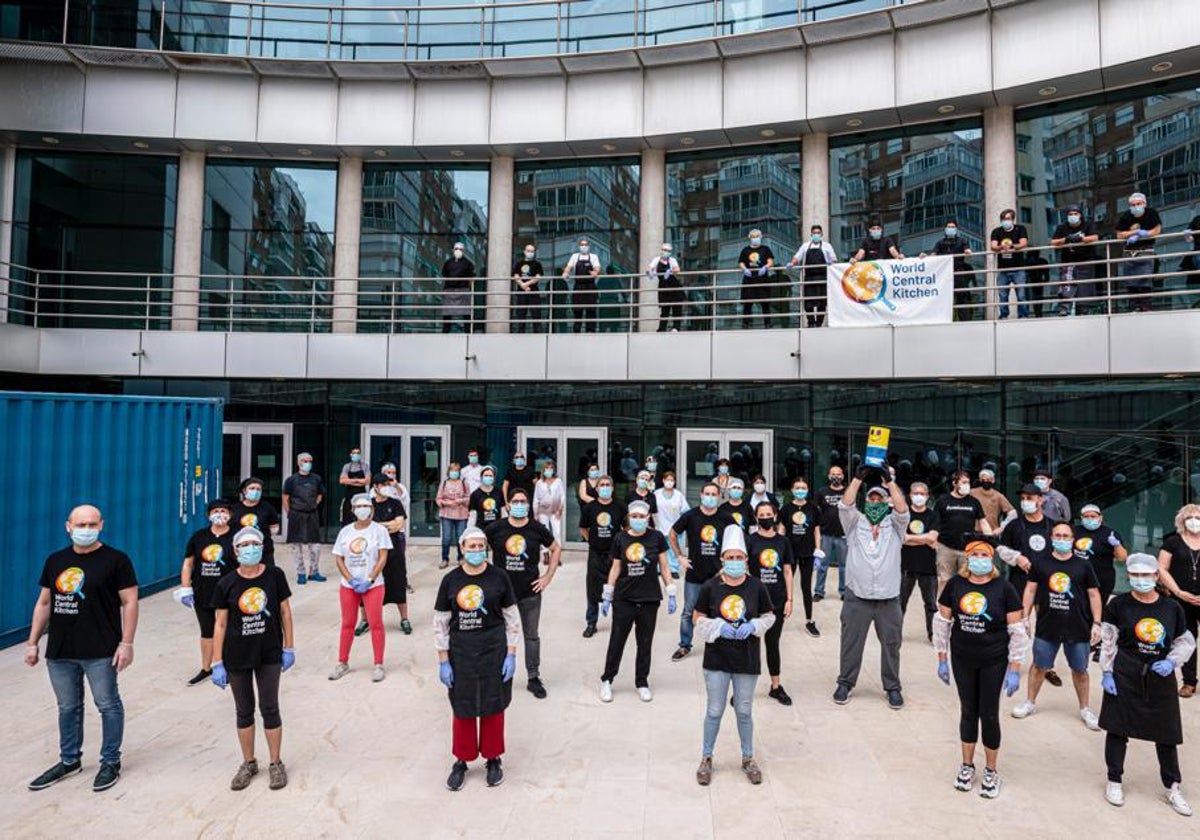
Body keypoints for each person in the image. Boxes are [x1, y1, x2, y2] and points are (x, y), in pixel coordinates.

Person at [25, 505, 138, 793]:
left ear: (101, 525)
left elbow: (130, 603)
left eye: (91, 524)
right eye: (80, 524)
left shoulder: (116, 560)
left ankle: (110, 761)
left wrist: (126, 643)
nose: (85, 529)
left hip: (101, 649)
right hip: (61, 650)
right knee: (67, 707)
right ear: (68, 526)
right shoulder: (55, 560)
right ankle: (69, 760)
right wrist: (33, 642)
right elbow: (44, 603)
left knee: (108, 705)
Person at [1099, 553, 1196, 815]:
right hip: (1126, 671)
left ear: (1156, 576)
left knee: (1167, 734)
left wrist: (1173, 662)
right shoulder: (1118, 605)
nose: (1140, 580)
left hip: (1160, 675)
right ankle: (1114, 780)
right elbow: (1109, 640)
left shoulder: (1171, 608)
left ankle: (1173, 787)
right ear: (1128, 576)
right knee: (1117, 729)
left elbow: (1184, 641)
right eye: (1135, 575)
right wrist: (1107, 671)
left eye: (1146, 575)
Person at [933, 541, 1026, 798]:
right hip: (963, 657)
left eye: (984, 554)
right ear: (967, 558)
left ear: (992, 559)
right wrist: (942, 658)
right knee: (968, 711)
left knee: (989, 713)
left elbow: (1017, 632)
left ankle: (991, 770)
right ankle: (967, 765)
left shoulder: (1004, 589)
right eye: (974, 554)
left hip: (993, 659)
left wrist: (1015, 667)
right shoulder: (955, 585)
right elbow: (942, 623)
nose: (979, 558)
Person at [436, 526, 521, 791]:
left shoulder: (499, 577)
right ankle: (462, 760)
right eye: (471, 547)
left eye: (480, 546)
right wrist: (443, 660)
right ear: (462, 549)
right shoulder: (451, 580)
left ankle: (493, 758)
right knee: (463, 707)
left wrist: (511, 654)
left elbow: (512, 618)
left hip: (493, 650)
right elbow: (440, 622)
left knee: (493, 705)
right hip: (461, 652)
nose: (476, 551)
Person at [209, 526, 294, 792]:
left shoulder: (274, 576)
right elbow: (220, 624)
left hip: (268, 652)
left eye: (254, 543)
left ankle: (275, 763)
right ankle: (248, 763)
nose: (250, 549)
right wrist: (216, 661)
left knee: (270, 707)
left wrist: (288, 647)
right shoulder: (226, 583)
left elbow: (285, 612)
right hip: (237, 656)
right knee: (243, 710)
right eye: (244, 545)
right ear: (235, 551)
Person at [692, 525, 774, 786]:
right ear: (722, 559)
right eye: (731, 557)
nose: (735, 562)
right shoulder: (710, 587)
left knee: (744, 710)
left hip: (747, 658)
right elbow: (697, 618)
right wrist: (719, 627)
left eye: (739, 558)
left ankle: (748, 758)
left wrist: (754, 627)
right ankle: (706, 758)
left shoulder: (757, 587)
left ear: (746, 561)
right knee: (715, 710)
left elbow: (769, 616)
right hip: (717, 658)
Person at [1011, 521, 1103, 728]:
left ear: (1072, 540)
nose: (1061, 539)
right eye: (1057, 536)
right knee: (1039, 666)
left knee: (1080, 669)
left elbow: (1094, 594)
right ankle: (1029, 702)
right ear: (1051, 538)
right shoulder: (1041, 563)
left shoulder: (1083, 565)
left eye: (1066, 536)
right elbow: (1030, 590)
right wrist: (1025, 617)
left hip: (1078, 625)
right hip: (1048, 625)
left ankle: (1085, 709)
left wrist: (1097, 623)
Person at [833, 471, 909, 708]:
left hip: (888, 598)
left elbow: (902, 509)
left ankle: (892, 687)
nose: (875, 503)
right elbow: (845, 505)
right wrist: (857, 479)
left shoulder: (895, 525)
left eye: (880, 499)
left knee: (891, 644)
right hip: (858, 596)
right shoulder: (855, 523)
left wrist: (891, 483)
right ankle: (845, 682)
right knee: (851, 642)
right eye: (872, 499)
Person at [485, 488, 561, 699]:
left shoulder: (536, 528)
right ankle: (497, 675)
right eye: (515, 501)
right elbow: (477, 546)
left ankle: (533, 677)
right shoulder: (496, 528)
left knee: (531, 636)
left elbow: (556, 548)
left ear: (528, 505)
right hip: (501, 594)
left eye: (523, 501)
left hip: (530, 591)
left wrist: (547, 576)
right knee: (498, 635)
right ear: (508, 505)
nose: (519, 504)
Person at [598, 501, 676, 702]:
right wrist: (608, 593)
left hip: (649, 599)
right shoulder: (620, 538)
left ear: (648, 517)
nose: (638, 520)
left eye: (642, 517)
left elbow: (664, 566)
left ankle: (642, 682)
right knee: (617, 641)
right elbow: (615, 567)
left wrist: (671, 590)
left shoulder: (657, 537)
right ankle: (607, 680)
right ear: (629, 518)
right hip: (624, 599)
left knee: (645, 643)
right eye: (635, 517)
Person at [328, 494, 391, 683]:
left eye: (367, 505)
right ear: (353, 509)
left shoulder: (379, 530)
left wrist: (370, 579)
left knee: (375, 623)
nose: (363, 509)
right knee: (348, 623)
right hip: (349, 585)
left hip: (373, 585)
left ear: (371, 509)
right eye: (359, 506)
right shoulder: (345, 531)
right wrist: (350, 579)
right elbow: (339, 558)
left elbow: (382, 557)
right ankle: (342, 662)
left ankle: (378, 664)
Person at [669, 483, 736, 661]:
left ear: (719, 496)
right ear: (701, 495)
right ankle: (684, 646)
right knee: (688, 612)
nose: (710, 497)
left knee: (721, 611)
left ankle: (720, 646)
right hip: (694, 575)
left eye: (714, 494)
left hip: (719, 576)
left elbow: (737, 539)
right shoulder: (690, 516)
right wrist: (679, 556)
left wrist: (729, 563)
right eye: (707, 493)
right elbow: (672, 533)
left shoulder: (726, 518)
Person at [177, 498, 235, 686]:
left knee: (227, 628)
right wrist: (186, 587)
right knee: (207, 630)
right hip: (203, 590)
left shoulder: (237, 536)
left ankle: (227, 664)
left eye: (224, 511)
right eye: (216, 511)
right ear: (209, 515)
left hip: (229, 591)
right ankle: (206, 667)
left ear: (230, 515)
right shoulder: (199, 537)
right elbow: (188, 563)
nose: (220, 514)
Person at [746, 501, 795, 705]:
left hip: (777, 600)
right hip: (755, 601)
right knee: (750, 645)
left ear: (775, 516)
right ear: (756, 517)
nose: (765, 517)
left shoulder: (783, 542)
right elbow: (745, 568)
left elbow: (787, 571)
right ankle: (745, 689)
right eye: (762, 514)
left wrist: (790, 599)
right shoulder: (750, 540)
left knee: (772, 644)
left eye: (769, 514)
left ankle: (775, 686)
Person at [1157, 504, 1200, 698]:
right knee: (1186, 639)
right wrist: (1178, 592)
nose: (1194, 521)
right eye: (1190, 517)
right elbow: (1162, 568)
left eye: (1198, 517)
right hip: (1181, 598)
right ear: (1182, 521)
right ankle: (1189, 682)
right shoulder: (1173, 542)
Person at [579, 475, 627, 638]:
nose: (605, 487)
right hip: (596, 554)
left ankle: (618, 623)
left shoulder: (620, 506)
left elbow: (626, 527)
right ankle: (591, 622)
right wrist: (592, 541)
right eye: (602, 485)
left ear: (612, 488)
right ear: (597, 489)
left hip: (615, 556)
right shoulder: (589, 507)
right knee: (592, 589)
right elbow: (583, 528)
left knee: (616, 587)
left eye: (608, 485)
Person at [933, 471, 989, 596]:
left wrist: (990, 540)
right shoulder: (942, 501)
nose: (967, 485)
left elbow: (983, 522)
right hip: (945, 547)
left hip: (968, 548)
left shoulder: (974, 502)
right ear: (954, 483)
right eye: (963, 482)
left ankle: (962, 608)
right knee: (945, 579)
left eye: (968, 482)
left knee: (966, 580)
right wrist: (934, 542)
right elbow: (935, 523)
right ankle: (942, 608)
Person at [778, 476, 821, 637]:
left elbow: (817, 530)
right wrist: (779, 550)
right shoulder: (786, 509)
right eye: (797, 488)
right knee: (784, 586)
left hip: (808, 553)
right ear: (792, 490)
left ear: (807, 490)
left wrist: (818, 549)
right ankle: (779, 617)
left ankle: (809, 621)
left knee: (806, 587)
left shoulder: (813, 508)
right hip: (789, 553)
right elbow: (781, 530)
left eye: (803, 488)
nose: (800, 491)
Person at [371, 475, 411, 634]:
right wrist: (388, 525)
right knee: (370, 585)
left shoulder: (395, 503)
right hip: (373, 552)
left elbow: (399, 524)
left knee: (398, 583)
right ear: (375, 486)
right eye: (383, 484)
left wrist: (377, 526)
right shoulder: (369, 505)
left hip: (394, 550)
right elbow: (363, 525)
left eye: (388, 484)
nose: (387, 487)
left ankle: (404, 619)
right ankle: (366, 620)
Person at [901, 482, 940, 643]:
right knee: (899, 603)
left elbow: (932, 538)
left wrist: (910, 538)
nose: (919, 496)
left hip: (928, 567)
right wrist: (923, 539)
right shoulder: (903, 515)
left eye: (922, 493)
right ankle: (895, 633)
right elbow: (900, 539)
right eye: (915, 493)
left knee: (931, 603)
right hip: (905, 566)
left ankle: (933, 635)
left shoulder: (933, 515)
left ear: (927, 496)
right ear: (910, 496)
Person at [1114, 192, 1162, 313]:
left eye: (1138, 204)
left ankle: (1145, 305)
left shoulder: (1151, 213)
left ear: (1144, 204)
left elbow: (1157, 229)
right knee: (1131, 279)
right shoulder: (1126, 216)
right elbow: (1119, 235)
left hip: (1146, 247)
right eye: (1133, 205)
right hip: (1130, 249)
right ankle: (1134, 305)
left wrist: (1145, 234)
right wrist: (1134, 233)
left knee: (1145, 278)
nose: (1136, 207)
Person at [282, 452, 326, 584]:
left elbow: (320, 494)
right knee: (296, 545)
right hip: (296, 514)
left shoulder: (316, 478)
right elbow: (285, 498)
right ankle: (301, 573)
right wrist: (289, 513)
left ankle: (314, 572)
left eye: (310, 461)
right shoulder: (291, 480)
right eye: (305, 461)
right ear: (298, 463)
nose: (308, 463)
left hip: (312, 514)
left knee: (315, 545)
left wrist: (314, 504)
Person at [1050, 205, 1101, 316]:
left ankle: (1083, 310)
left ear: (1080, 215)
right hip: (1068, 261)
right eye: (1070, 214)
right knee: (1066, 284)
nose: (1073, 216)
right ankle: (1064, 309)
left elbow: (1095, 238)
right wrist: (1066, 239)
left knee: (1085, 287)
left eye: (1075, 214)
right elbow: (1053, 242)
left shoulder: (1087, 224)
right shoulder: (1062, 227)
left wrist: (1080, 239)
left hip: (1085, 260)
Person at [928, 220, 977, 321]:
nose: (951, 229)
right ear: (945, 229)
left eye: (953, 227)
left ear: (956, 229)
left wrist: (968, 251)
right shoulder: (940, 242)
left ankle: (965, 321)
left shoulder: (962, 240)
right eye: (949, 227)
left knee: (962, 297)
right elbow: (933, 255)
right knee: (944, 298)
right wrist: (925, 257)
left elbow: (967, 250)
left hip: (958, 273)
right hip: (945, 275)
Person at [789, 224, 837, 327]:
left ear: (822, 234)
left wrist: (831, 263)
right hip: (809, 277)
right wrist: (792, 263)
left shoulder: (827, 246)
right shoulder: (805, 246)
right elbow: (797, 257)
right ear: (811, 234)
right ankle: (811, 322)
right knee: (808, 302)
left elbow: (834, 260)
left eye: (818, 233)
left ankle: (819, 323)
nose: (816, 235)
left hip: (822, 277)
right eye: (814, 233)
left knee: (822, 302)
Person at [814, 465, 848, 601]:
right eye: (833, 474)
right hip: (825, 534)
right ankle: (819, 591)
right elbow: (815, 512)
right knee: (822, 565)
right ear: (828, 476)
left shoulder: (848, 492)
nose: (836, 477)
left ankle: (844, 592)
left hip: (843, 535)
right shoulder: (821, 492)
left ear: (843, 476)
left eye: (838, 474)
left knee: (844, 566)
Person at [989, 209, 1029, 319]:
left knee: (1021, 295)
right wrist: (1001, 247)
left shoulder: (1020, 229)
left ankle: (1023, 315)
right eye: (1003, 219)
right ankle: (1003, 315)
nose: (1005, 221)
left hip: (1018, 268)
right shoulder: (996, 231)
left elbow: (1024, 243)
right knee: (1002, 295)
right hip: (1003, 269)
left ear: (1012, 219)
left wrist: (1012, 247)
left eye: (1007, 219)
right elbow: (993, 246)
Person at [232, 477, 281, 566]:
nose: (256, 491)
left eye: (258, 489)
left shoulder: (267, 508)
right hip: (241, 549)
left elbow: (274, 527)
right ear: (244, 491)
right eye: (252, 488)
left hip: (264, 550)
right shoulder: (235, 509)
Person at [653, 470, 689, 579]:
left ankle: (673, 569)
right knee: (661, 549)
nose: (669, 482)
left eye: (671, 480)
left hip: (674, 526)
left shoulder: (678, 495)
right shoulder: (656, 494)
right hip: (660, 525)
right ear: (663, 480)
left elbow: (685, 510)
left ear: (674, 482)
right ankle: (660, 568)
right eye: (667, 479)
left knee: (673, 549)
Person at [738, 229, 775, 329]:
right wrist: (744, 269)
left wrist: (766, 267)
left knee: (765, 303)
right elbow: (741, 262)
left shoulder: (765, 249)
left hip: (762, 280)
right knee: (747, 304)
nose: (755, 238)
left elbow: (771, 261)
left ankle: (768, 323)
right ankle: (746, 324)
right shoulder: (745, 250)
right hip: (749, 280)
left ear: (761, 237)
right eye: (753, 236)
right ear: (750, 238)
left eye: (757, 236)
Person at [435, 462, 470, 570]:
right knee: (446, 538)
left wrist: (461, 500)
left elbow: (469, 497)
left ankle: (461, 558)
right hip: (446, 514)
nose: (454, 472)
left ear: (459, 472)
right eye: (452, 470)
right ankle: (445, 559)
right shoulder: (444, 483)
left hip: (461, 514)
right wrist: (446, 503)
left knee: (461, 537)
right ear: (448, 472)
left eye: (456, 470)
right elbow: (438, 498)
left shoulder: (464, 483)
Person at [562, 237, 601, 333]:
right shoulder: (575, 256)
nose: (584, 247)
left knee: (591, 311)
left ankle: (590, 331)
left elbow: (597, 268)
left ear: (589, 246)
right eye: (582, 245)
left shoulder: (593, 256)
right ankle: (576, 330)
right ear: (579, 246)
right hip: (578, 286)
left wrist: (595, 272)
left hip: (590, 286)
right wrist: (566, 273)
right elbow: (568, 267)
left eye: (585, 245)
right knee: (577, 310)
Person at [649, 243, 685, 332]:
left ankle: (676, 327)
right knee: (665, 309)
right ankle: (662, 328)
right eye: (665, 250)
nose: (666, 252)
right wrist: (651, 273)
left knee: (677, 308)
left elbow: (677, 270)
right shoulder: (656, 260)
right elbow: (650, 269)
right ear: (661, 250)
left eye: (668, 251)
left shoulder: (672, 260)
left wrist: (670, 271)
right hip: (663, 286)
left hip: (674, 286)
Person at [441, 241, 476, 333]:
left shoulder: (468, 263)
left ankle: (468, 332)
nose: (458, 251)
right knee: (447, 314)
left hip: (463, 290)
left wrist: (467, 289)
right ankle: (445, 333)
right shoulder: (448, 263)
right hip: (449, 290)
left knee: (466, 313)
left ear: (463, 251)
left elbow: (471, 278)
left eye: (460, 249)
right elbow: (444, 275)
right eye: (456, 249)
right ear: (453, 250)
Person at [533, 458, 567, 548]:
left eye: (551, 468)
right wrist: (535, 513)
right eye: (547, 468)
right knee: (545, 531)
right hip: (542, 510)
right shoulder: (539, 483)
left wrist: (560, 509)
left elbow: (562, 496)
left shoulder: (558, 481)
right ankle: (546, 553)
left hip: (555, 510)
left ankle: (557, 552)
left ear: (553, 470)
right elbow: (536, 498)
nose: (549, 470)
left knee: (557, 531)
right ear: (543, 470)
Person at [969, 468, 1015, 533]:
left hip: (992, 532)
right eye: (983, 480)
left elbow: (1013, 513)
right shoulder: (972, 493)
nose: (985, 481)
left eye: (988, 479)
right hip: (974, 532)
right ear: (980, 480)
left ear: (993, 480)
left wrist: (1001, 528)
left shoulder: (998, 496)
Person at [511, 244, 544, 333]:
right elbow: (516, 275)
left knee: (536, 313)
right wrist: (522, 284)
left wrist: (527, 284)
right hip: (521, 292)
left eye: (532, 251)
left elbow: (538, 276)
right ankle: (520, 333)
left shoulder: (537, 264)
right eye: (528, 251)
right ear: (524, 251)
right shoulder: (519, 263)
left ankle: (537, 334)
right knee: (521, 313)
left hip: (533, 292)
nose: (530, 253)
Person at [338, 447, 371, 526]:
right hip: (349, 495)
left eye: (358, 453)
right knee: (347, 517)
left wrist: (350, 481)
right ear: (351, 455)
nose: (356, 455)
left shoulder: (365, 466)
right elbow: (342, 480)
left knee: (362, 516)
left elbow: (367, 481)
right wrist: (359, 481)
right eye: (354, 453)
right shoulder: (346, 466)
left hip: (361, 496)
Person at [469, 465, 505, 530]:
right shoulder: (475, 494)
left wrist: (505, 526)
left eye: (490, 476)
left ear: (494, 478)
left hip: (497, 528)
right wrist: (470, 529)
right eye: (486, 475)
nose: (488, 477)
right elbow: (473, 515)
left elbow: (503, 511)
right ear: (481, 477)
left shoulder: (499, 492)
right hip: (481, 528)